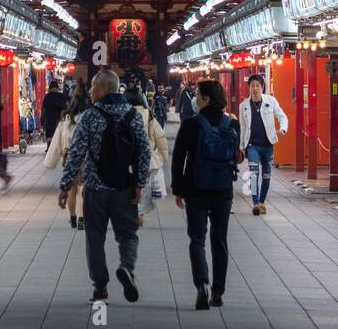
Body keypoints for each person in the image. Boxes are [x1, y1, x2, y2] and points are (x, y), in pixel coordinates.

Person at [58, 69, 150, 303]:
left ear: (103, 89)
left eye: (93, 87)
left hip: (95, 189)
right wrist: (140, 183)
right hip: (124, 187)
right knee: (128, 234)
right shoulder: (133, 116)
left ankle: (100, 287)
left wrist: (66, 185)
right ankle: (127, 267)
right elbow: (144, 152)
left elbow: (77, 152)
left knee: (95, 238)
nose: (89, 91)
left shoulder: (90, 116)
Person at [171, 80, 239, 309]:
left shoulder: (191, 124)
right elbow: (236, 156)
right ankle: (218, 292)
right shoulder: (232, 124)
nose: (195, 98)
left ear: (207, 98)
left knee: (197, 239)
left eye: (198, 95)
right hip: (223, 190)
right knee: (220, 240)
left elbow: (178, 158)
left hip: (196, 188)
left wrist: (178, 189)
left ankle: (202, 285)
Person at [237, 72, 289, 216]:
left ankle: (262, 202)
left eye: (257, 86)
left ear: (262, 87)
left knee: (266, 176)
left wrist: (283, 129)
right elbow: (242, 126)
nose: (255, 88)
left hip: (268, 145)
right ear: (249, 88)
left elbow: (282, 116)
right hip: (252, 145)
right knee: (254, 174)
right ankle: (255, 204)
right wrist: (241, 146)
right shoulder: (244, 105)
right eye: (252, 86)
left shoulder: (271, 101)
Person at [45, 83, 92, 229]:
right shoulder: (91, 119)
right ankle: (82, 219)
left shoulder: (66, 121)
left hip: (69, 157)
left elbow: (56, 142)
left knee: (72, 190)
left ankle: (72, 217)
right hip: (88, 159)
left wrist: (50, 162)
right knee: (85, 190)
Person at [125, 88, 169, 225]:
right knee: (143, 187)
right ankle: (140, 212)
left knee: (128, 186)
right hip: (147, 158)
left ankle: (131, 211)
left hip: (126, 158)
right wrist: (163, 156)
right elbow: (160, 136)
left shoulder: (123, 114)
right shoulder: (149, 116)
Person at [41, 79, 67, 147]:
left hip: (49, 119)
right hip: (58, 120)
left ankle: (49, 148)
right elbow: (64, 109)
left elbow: (43, 109)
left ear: (50, 88)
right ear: (57, 87)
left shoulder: (47, 96)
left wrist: (42, 119)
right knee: (58, 136)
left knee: (49, 135)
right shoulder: (61, 96)